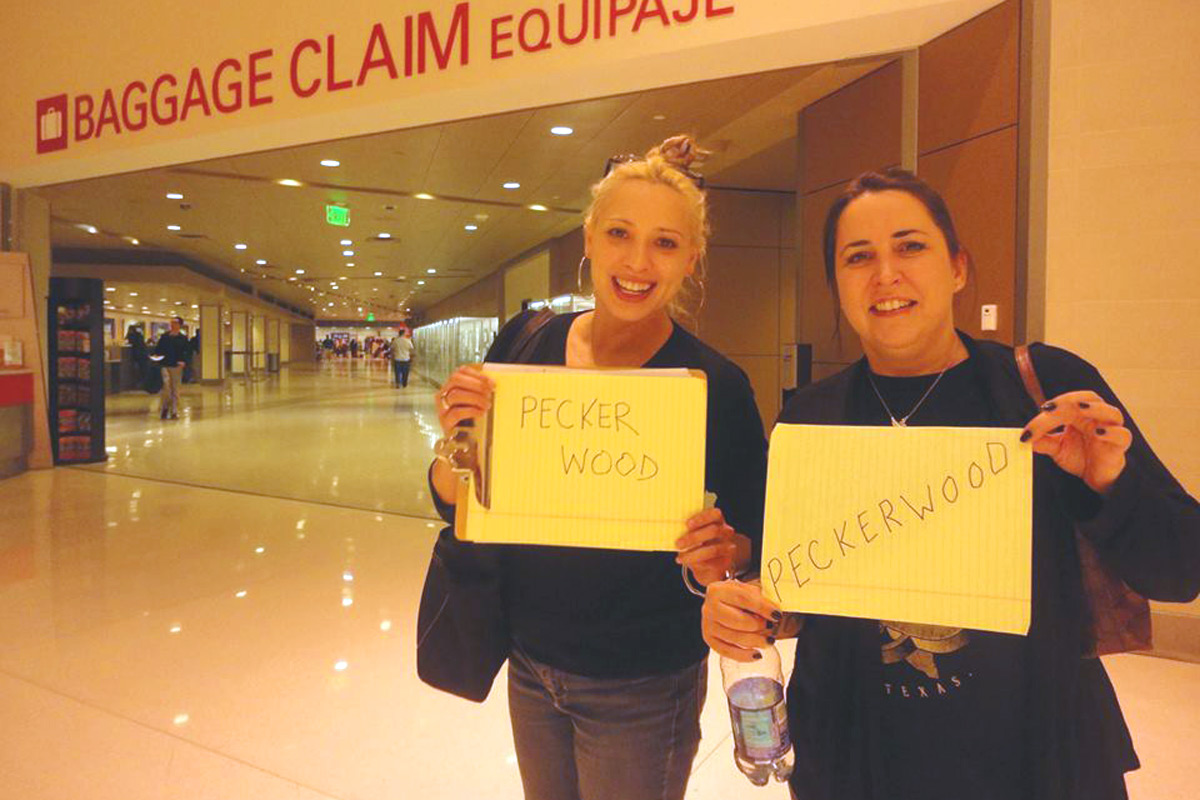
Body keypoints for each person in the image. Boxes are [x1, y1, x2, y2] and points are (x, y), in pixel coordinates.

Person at [701, 168, 1200, 800]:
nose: (886, 274)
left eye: (910, 246)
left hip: (1035, 755)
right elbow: (793, 583)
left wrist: (1109, 481)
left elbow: (1182, 569)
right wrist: (735, 605)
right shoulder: (811, 416)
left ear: (958, 268)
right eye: (859, 257)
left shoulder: (1041, 387)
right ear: (838, 286)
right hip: (858, 759)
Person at [428, 135, 768, 800]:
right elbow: (455, 502)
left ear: (691, 259)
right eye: (619, 233)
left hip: (643, 681)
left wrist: (723, 552)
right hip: (530, 662)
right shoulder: (524, 346)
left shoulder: (714, 386)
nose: (638, 261)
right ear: (588, 238)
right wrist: (457, 442)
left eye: (666, 243)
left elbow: (755, 541)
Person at [153, 316, 191, 419]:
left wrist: (183, 361)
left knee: (175, 389)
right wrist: (157, 357)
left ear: (179, 325)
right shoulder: (165, 337)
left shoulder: (182, 338)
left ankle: (174, 410)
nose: (172, 324)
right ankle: (165, 408)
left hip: (176, 366)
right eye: (171, 322)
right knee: (166, 388)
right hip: (165, 365)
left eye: (175, 323)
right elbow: (158, 350)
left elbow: (187, 352)